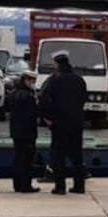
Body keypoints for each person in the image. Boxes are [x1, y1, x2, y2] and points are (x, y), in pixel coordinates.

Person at [39, 50, 88, 195]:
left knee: (58, 155)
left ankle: (60, 186)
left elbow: (43, 99)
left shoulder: (53, 79)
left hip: (59, 123)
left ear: (56, 64)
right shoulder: (79, 80)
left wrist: (47, 117)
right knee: (77, 155)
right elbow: (84, 98)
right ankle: (79, 186)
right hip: (76, 122)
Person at [9, 70, 40, 193]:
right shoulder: (28, 96)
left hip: (16, 131)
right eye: (32, 81)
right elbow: (32, 114)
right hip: (27, 132)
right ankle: (26, 185)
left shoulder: (13, 93)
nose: (33, 83)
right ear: (26, 80)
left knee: (18, 158)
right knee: (27, 160)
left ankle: (17, 185)